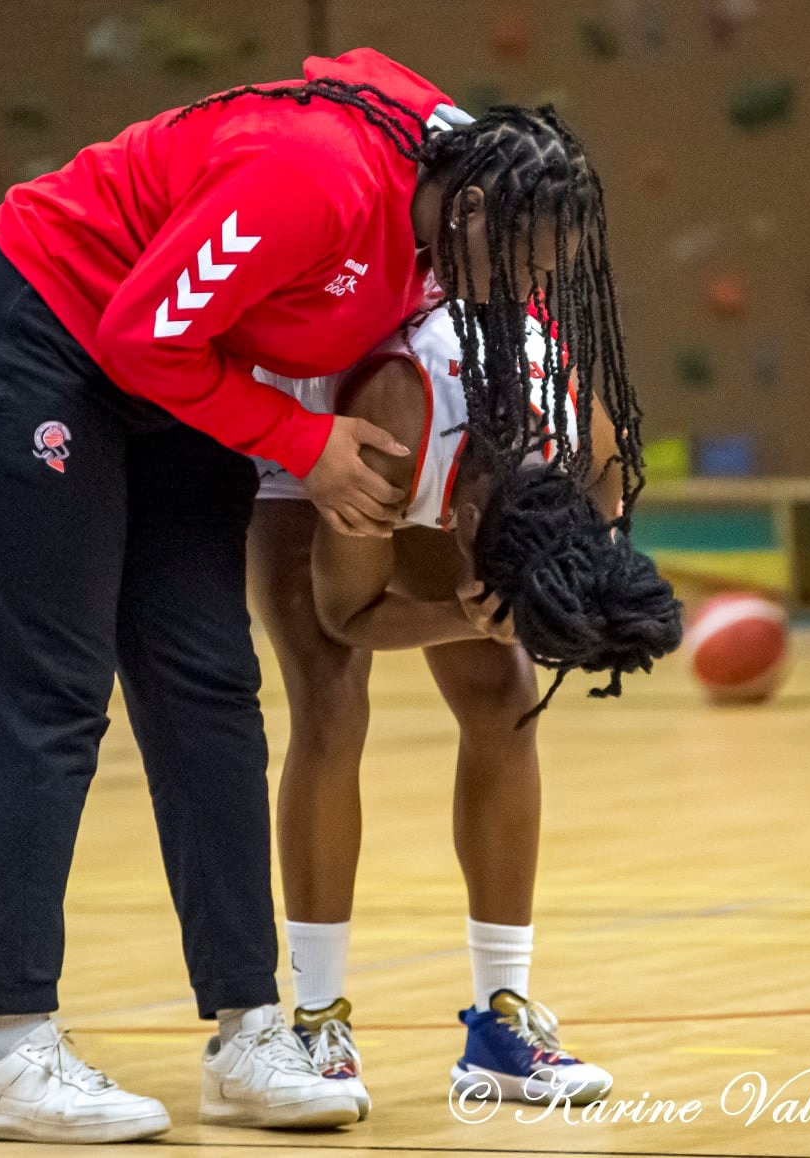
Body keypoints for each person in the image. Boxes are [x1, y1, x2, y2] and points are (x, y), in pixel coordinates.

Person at [0, 47, 619, 1143]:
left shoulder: (467, 177)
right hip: (36, 339)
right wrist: (299, 441)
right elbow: (137, 331)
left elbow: (358, 68)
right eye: (520, 261)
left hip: (178, 380)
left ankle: (249, 1033)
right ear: (472, 209)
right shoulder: (316, 182)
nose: (526, 290)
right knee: (52, 699)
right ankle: (11, 1049)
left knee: (209, 693)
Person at [249, 286, 683, 1113]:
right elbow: (349, 613)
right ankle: (314, 1021)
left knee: (504, 696)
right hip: (312, 404)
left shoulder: (579, 443)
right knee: (330, 698)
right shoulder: (393, 418)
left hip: (456, 421)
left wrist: (547, 608)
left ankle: (502, 1022)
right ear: (460, 514)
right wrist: (458, 613)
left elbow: (595, 521)